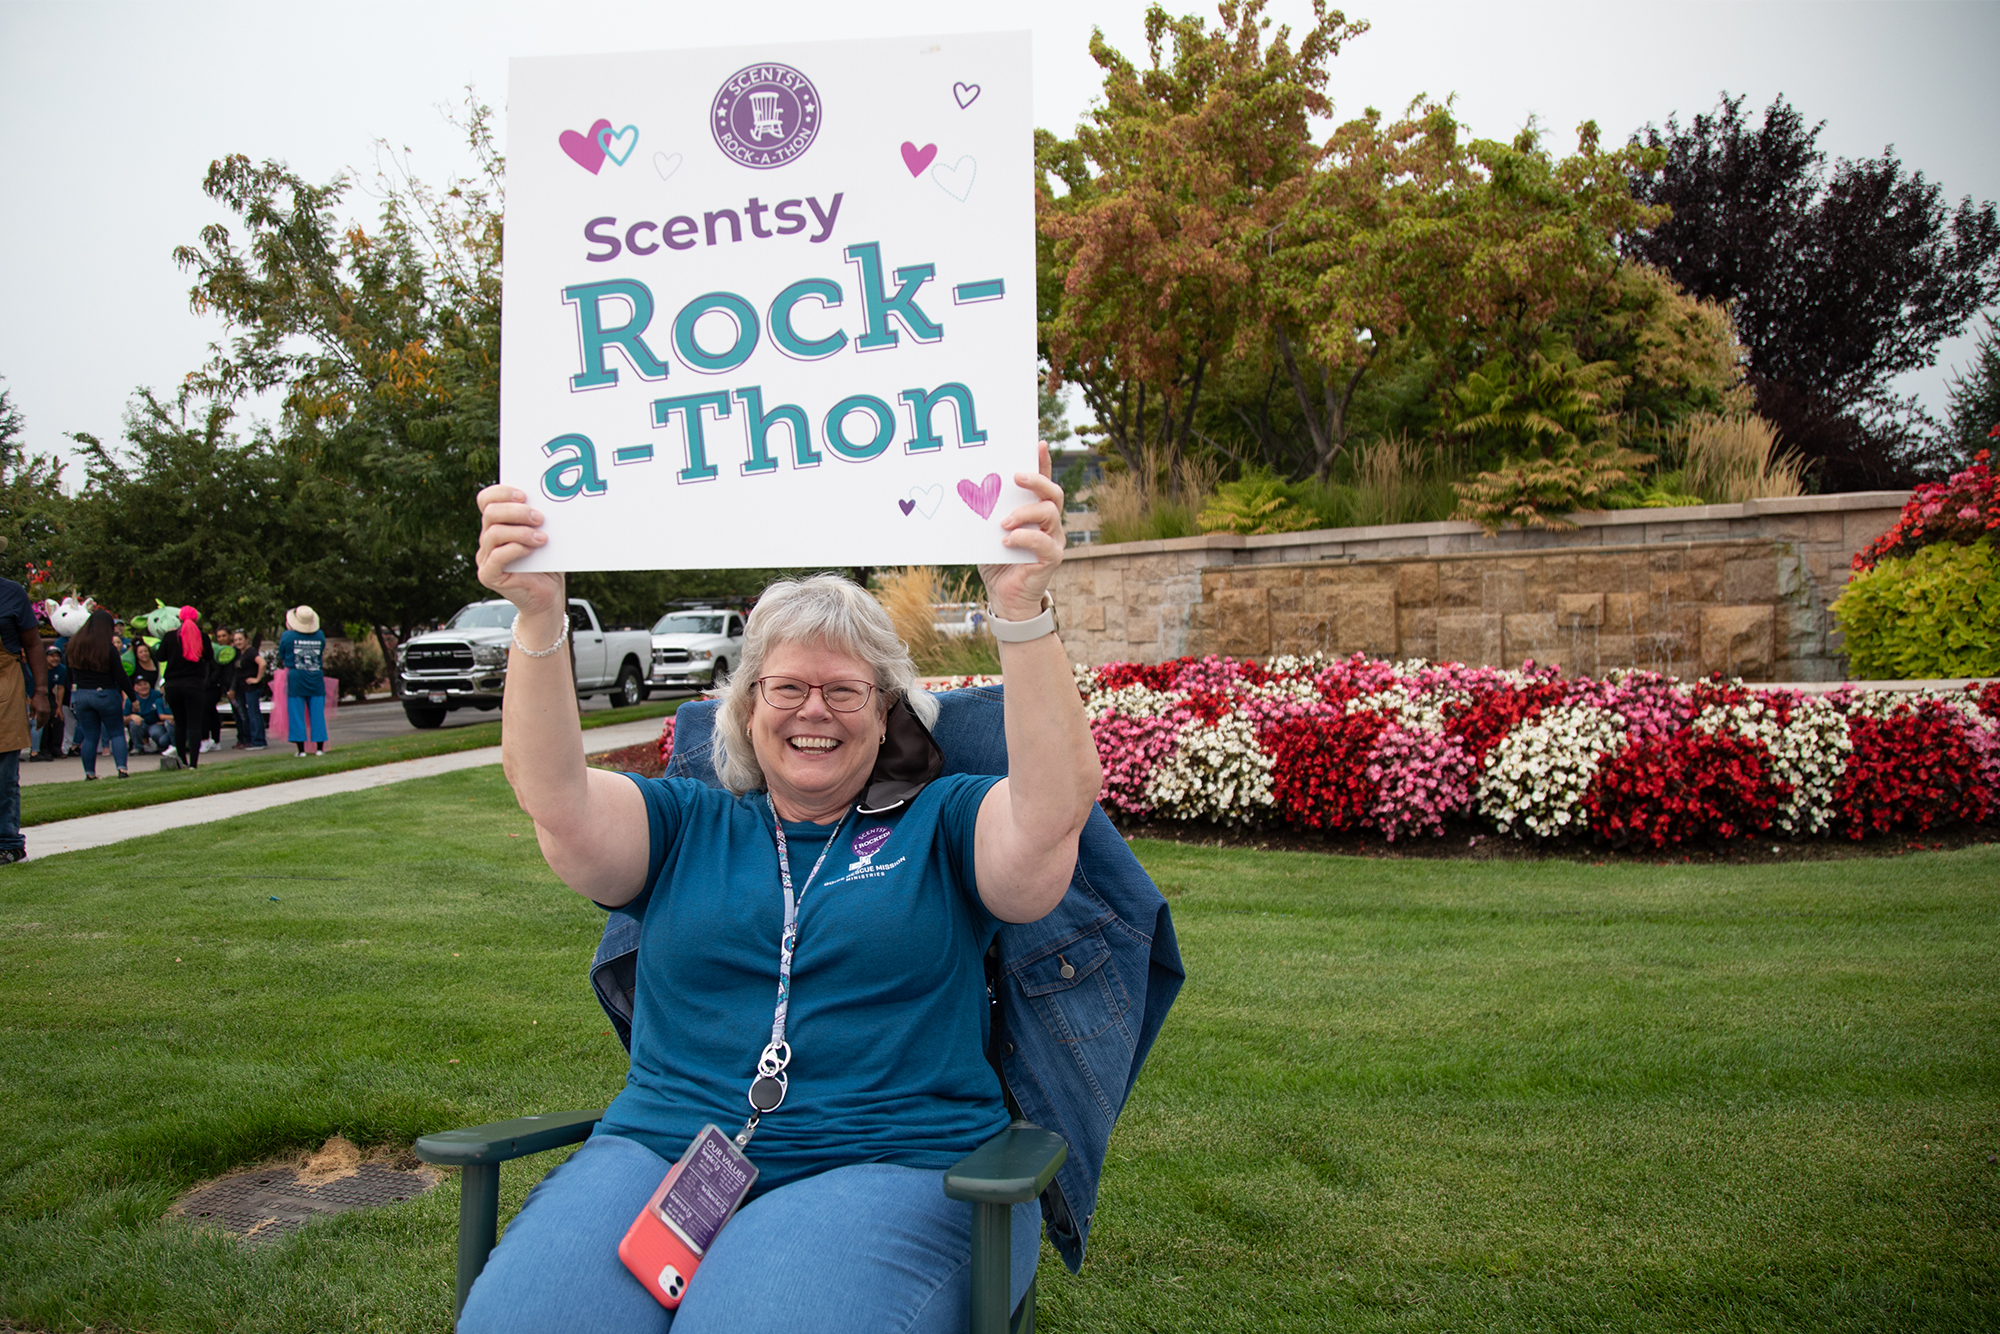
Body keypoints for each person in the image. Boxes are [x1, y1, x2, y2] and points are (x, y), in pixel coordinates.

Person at [459, 447, 1099, 1334]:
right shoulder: (686, 825)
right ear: (745, 709)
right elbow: (557, 803)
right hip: (664, 1150)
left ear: (886, 716)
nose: (813, 711)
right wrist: (538, 618)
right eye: (786, 687)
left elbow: (1048, 822)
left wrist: (1021, 612)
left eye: (846, 691)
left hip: (897, 1163)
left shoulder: (944, 822)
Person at [0, 562, 53, 865]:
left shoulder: (11, 593)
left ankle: (7, 841)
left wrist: (41, 693)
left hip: (5, 682)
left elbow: (33, 644)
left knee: (4, 772)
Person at [62, 610, 132, 779]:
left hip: (81, 694)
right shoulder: (107, 648)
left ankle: (89, 773)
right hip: (105, 693)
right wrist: (132, 696)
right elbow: (120, 675)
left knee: (90, 736)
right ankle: (121, 769)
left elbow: (69, 674)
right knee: (116, 732)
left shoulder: (74, 646)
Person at [155, 605, 215, 769]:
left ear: (179, 619)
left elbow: (160, 656)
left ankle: (181, 759)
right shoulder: (202, 637)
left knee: (179, 723)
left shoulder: (170, 637)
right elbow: (209, 656)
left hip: (173, 685)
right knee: (195, 724)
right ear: (196, 619)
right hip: (194, 685)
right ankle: (194, 763)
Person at [278, 606, 327, 757]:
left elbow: (282, 654)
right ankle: (319, 748)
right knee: (317, 713)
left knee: (296, 713)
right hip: (315, 676)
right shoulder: (320, 635)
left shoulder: (287, 636)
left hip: (296, 677)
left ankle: (301, 750)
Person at [231, 630, 268, 749]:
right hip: (244, 688)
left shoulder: (251, 652)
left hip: (252, 687)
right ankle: (252, 739)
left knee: (253, 713)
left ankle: (259, 741)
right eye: (236, 640)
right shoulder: (240, 653)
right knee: (249, 713)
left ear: (247, 639)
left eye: (240, 639)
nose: (238, 642)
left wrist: (257, 679)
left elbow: (262, 663)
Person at [125, 677, 172, 755]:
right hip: (141, 725)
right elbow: (123, 719)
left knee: (157, 733)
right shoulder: (131, 699)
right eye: (140, 685)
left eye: (145, 684)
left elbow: (165, 707)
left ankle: (162, 747)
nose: (143, 687)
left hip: (156, 724)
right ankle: (138, 748)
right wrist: (131, 716)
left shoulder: (157, 695)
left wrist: (162, 720)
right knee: (133, 724)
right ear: (135, 688)